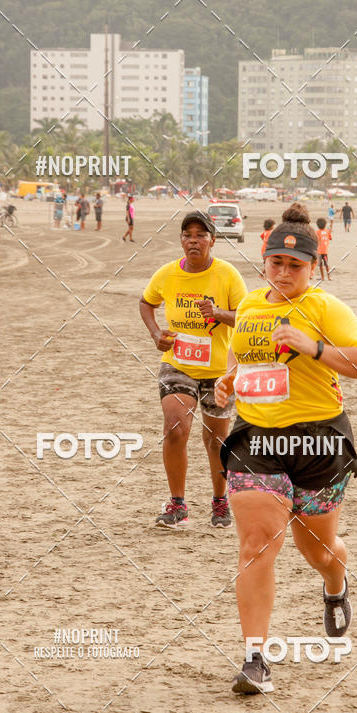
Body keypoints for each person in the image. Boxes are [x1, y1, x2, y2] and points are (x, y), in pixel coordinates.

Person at [214, 203, 357, 694]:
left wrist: (315, 348)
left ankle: (335, 584)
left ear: (313, 266)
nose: (284, 272)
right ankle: (255, 658)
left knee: (320, 550)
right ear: (264, 261)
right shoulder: (249, 306)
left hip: (318, 441)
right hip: (257, 439)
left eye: (296, 265)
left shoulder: (325, 308)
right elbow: (243, 362)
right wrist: (228, 384)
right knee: (256, 542)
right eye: (276, 263)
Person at [140, 211, 248, 529]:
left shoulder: (228, 275)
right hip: (178, 364)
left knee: (216, 440)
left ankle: (220, 502)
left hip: (219, 370)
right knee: (175, 428)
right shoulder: (168, 274)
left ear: (213, 241)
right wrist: (156, 333)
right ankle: (177, 504)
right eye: (187, 235)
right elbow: (146, 303)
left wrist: (217, 312)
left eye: (201, 235)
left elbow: (246, 316)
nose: (193, 240)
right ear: (181, 241)